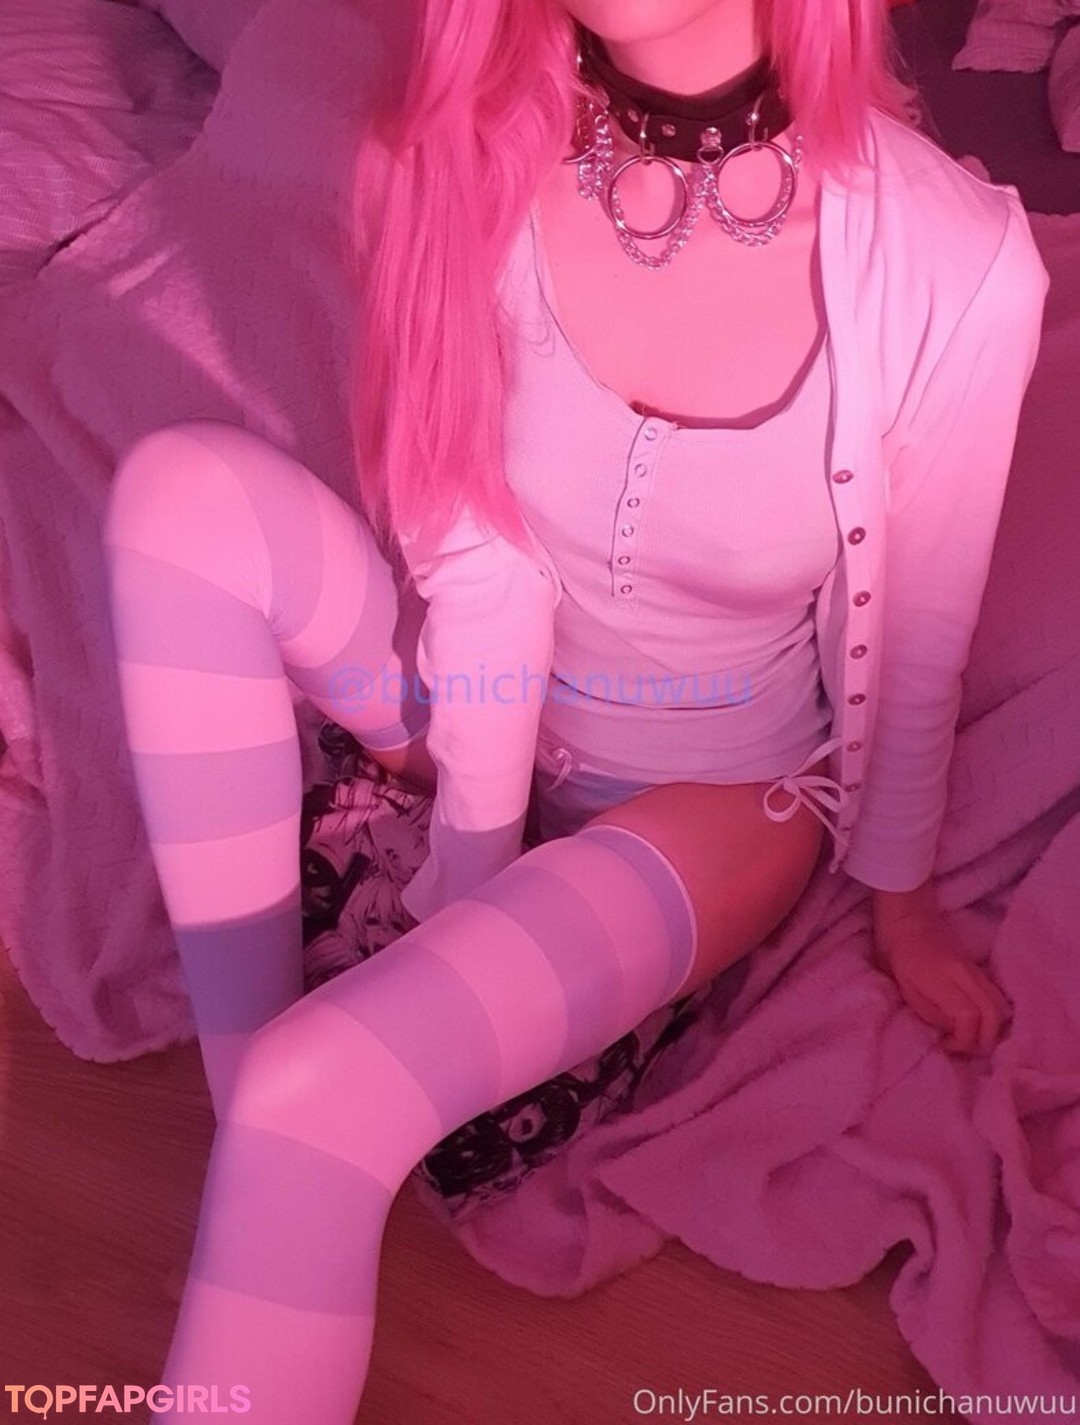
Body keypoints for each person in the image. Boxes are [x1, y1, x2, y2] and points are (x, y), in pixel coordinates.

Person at [100, 0, 1049, 1417]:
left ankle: (290, 1138)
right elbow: (480, 560)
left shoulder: (955, 264)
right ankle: (255, 1123)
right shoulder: (470, 158)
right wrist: (468, 865)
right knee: (175, 497)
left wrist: (899, 897)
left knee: (326, 1091)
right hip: (474, 701)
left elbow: (920, 636)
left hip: (715, 801)